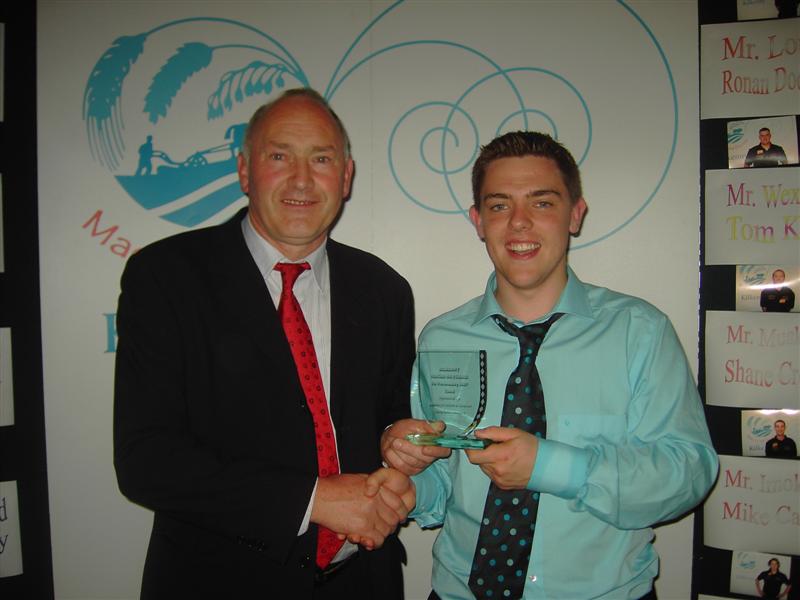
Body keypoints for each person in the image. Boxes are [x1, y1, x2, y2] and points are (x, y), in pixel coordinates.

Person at [380, 131, 719, 599]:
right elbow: (445, 471)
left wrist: (549, 466)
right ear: (478, 221)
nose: (519, 223)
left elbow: (689, 472)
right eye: (499, 205)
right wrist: (412, 485)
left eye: (541, 203)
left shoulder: (639, 332)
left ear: (575, 214)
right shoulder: (442, 338)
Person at [114, 88, 416, 599]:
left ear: (345, 177)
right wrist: (314, 500)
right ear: (244, 170)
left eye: (321, 159)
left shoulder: (384, 289)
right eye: (279, 156)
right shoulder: (166, 277)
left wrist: (400, 456)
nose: (301, 179)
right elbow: (146, 460)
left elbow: (389, 418)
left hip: (363, 581)